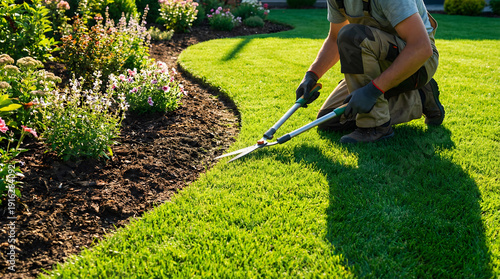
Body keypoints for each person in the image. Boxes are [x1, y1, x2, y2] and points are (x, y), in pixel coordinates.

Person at [295, 0, 445, 143]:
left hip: (419, 64)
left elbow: (421, 47)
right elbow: (335, 38)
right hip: (379, 60)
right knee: (330, 120)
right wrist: (312, 75)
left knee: (352, 36)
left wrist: (372, 91)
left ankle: (375, 126)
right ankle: (421, 97)